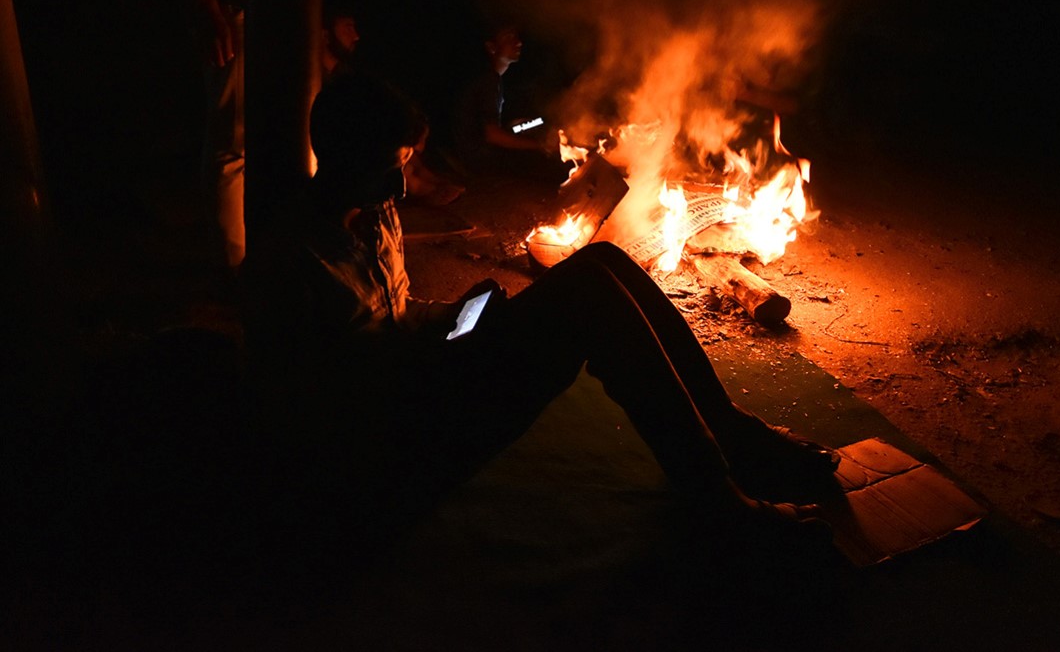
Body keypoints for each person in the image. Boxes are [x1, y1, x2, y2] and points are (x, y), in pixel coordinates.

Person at [244, 74, 840, 559]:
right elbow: (309, 402)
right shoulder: (290, 258)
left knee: (600, 261)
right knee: (587, 303)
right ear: (342, 158)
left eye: (406, 165)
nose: (401, 187)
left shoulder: (373, 216)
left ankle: (732, 433)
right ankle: (720, 504)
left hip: (424, 376)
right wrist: (429, 357)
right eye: (389, 167)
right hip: (387, 446)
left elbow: (393, 314)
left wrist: (449, 316)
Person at [170, 0, 249, 272]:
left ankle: (261, 251)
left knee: (257, 132)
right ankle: (234, 266)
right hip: (228, 2)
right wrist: (213, 14)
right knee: (232, 139)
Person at [320, 6, 464, 206]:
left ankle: (424, 175)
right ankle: (415, 185)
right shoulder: (315, 79)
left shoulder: (344, 73)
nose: (356, 36)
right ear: (325, 36)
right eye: (347, 28)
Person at [453, 24, 563, 179]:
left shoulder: (490, 77)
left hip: (474, 152)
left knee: (537, 123)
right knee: (550, 157)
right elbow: (492, 135)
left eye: (516, 37)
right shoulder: (488, 80)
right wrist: (539, 146)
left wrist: (522, 125)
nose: (518, 42)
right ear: (492, 47)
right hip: (479, 158)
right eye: (509, 38)